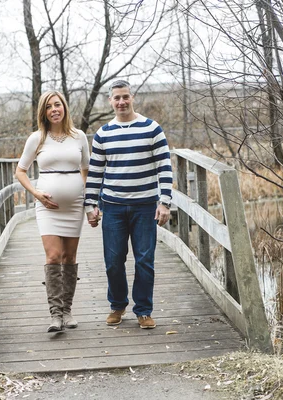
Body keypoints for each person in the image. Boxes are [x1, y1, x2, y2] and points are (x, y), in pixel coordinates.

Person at [84, 80, 172, 329]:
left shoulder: (151, 128)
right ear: (110, 102)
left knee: (145, 260)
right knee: (113, 260)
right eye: (116, 98)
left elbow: (164, 167)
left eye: (125, 97)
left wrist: (164, 202)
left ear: (132, 98)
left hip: (145, 206)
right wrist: (90, 205)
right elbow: (95, 173)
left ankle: (143, 310)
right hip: (112, 207)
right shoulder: (103, 133)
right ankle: (117, 305)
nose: (121, 102)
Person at [16, 91, 90, 332]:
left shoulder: (78, 136)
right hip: (47, 207)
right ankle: (55, 315)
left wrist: (89, 204)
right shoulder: (37, 138)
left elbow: (86, 170)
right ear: (43, 112)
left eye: (57, 105)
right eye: (49, 107)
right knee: (53, 256)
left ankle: (67, 311)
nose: (54, 110)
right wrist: (36, 194)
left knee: (69, 258)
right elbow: (20, 171)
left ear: (64, 107)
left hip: (74, 205)